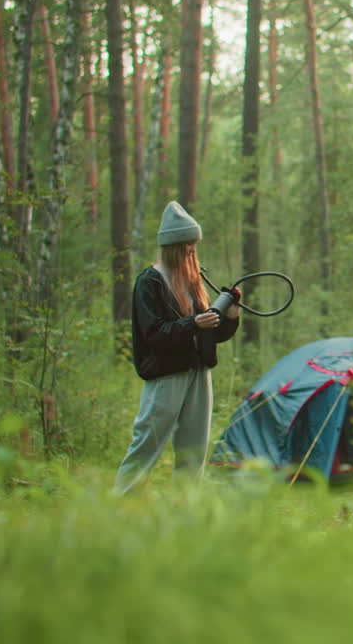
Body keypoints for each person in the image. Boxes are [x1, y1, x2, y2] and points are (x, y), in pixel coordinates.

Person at [115, 201, 241, 494]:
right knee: (147, 443)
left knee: (194, 450)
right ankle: (120, 503)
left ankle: (184, 512)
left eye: (194, 246)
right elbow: (154, 334)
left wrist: (231, 316)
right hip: (166, 376)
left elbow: (213, 334)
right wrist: (193, 324)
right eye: (188, 247)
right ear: (173, 246)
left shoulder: (194, 281)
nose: (193, 252)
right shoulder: (150, 282)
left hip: (200, 375)